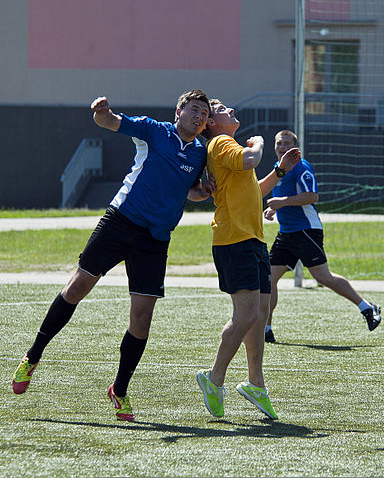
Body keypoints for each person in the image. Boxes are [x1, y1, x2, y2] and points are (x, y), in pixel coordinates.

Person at [12, 90, 215, 421]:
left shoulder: (201, 153)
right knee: (77, 287)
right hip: (121, 221)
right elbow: (110, 122)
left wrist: (201, 192)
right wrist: (101, 112)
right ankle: (32, 357)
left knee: (142, 317)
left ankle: (119, 391)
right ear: (178, 110)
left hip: (155, 240)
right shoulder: (153, 130)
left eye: (204, 115)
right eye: (194, 110)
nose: (199, 117)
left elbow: (188, 191)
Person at [196, 100, 301, 420]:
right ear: (213, 123)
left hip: (252, 239)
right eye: (222, 109)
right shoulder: (221, 142)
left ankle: (256, 383)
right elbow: (250, 158)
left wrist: (280, 171)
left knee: (261, 311)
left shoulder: (227, 145)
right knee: (246, 314)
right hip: (233, 240)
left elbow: (253, 189)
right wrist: (258, 143)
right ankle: (214, 379)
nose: (230, 109)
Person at [264, 129, 381, 344]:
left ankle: (367, 307)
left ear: (295, 147)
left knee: (323, 277)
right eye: (279, 143)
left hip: (306, 231)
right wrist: (275, 210)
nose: (283, 147)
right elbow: (283, 199)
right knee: (268, 279)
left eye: (287, 143)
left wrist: (282, 202)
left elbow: (312, 196)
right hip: (286, 233)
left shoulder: (301, 166)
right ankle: (266, 329)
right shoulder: (277, 169)